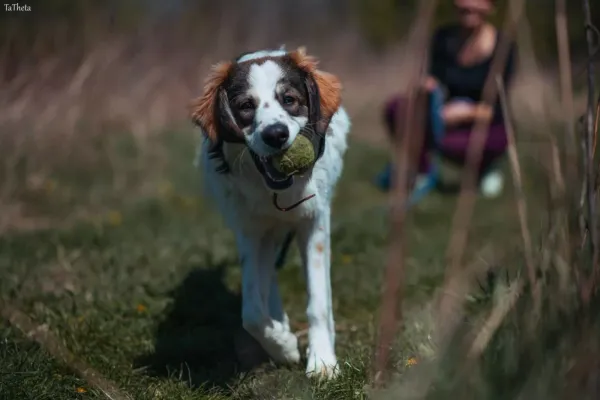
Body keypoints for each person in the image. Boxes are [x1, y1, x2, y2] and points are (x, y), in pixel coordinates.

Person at [376, 0, 516, 198]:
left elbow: (496, 107)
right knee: (397, 107)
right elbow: (434, 79)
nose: (468, 6)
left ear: (489, 7)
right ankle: (420, 170)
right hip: (442, 115)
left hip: (486, 123)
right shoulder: (442, 38)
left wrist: (465, 113)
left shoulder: (504, 47)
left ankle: (484, 168)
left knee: (451, 143)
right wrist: (426, 87)